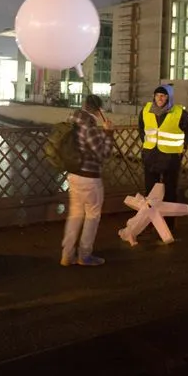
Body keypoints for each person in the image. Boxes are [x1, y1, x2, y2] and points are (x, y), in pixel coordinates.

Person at [61, 94, 116, 267]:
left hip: (73, 175)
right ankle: (84, 255)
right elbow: (102, 153)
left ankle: (67, 255)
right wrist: (108, 133)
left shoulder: (72, 121)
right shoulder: (89, 126)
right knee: (92, 216)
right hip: (90, 178)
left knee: (75, 215)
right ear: (98, 111)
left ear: (84, 105)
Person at [137, 85, 188, 233]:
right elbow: (141, 129)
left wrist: (184, 145)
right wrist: (147, 145)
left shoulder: (179, 113)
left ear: (169, 97)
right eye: (157, 95)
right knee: (150, 192)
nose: (160, 98)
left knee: (170, 192)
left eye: (163, 96)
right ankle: (152, 223)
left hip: (170, 158)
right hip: (151, 156)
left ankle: (169, 225)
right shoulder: (145, 110)